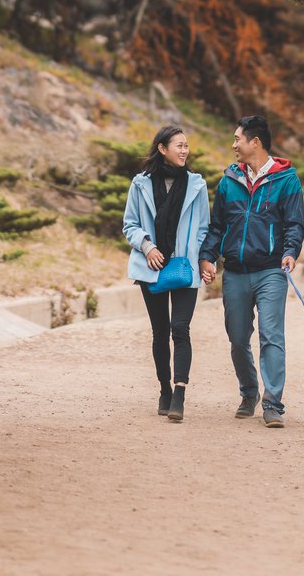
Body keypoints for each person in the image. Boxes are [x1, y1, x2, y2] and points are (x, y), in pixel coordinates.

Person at [199, 114, 304, 428]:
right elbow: (217, 225)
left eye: (237, 139)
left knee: (272, 337)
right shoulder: (229, 180)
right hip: (234, 271)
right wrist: (208, 256)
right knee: (237, 337)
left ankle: (273, 404)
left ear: (254, 142)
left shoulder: (286, 179)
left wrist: (290, 252)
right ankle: (249, 392)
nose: (233, 145)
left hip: (272, 270)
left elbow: (294, 224)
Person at [122, 123, 210, 423]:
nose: (185, 150)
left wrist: (199, 259)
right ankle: (163, 389)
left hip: (185, 269)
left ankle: (179, 395)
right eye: (179, 145)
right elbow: (129, 225)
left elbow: (203, 229)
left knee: (180, 329)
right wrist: (147, 247)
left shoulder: (197, 185)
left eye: (187, 146)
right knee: (160, 333)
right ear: (163, 148)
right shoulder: (140, 184)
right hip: (152, 269)